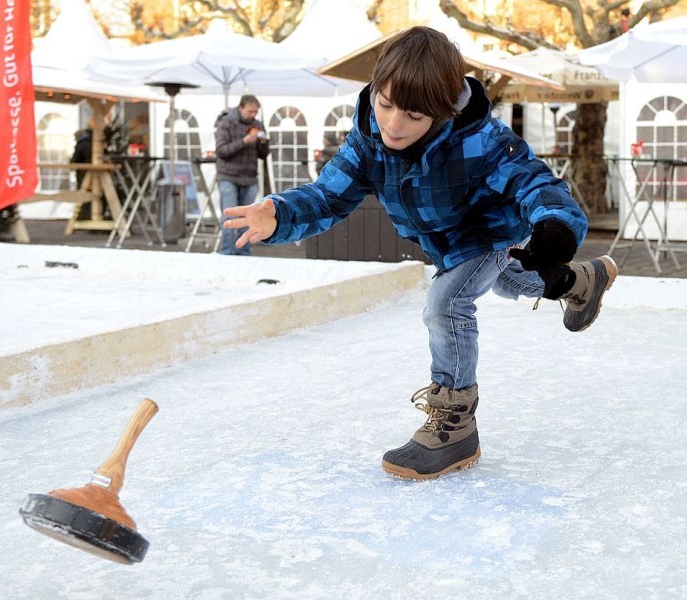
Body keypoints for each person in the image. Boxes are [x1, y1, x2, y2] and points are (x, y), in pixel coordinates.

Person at [222, 26, 618, 480]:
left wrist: (555, 227)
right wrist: (280, 214)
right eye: (385, 104)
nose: (393, 125)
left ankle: (455, 422)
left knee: (447, 303)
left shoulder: (483, 141)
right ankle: (582, 281)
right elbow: (329, 196)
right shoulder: (368, 141)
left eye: (412, 115)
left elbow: (536, 182)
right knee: (515, 281)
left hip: (488, 233)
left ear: (444, 109)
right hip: (448, 245)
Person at [215, 94, 270, 255]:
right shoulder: (226, 123)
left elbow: (263, 155)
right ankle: (226, 254)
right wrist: (244, 142)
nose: (253, 115)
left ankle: (244, 255)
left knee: (249, 219)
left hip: (250, 178)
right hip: (228, 177)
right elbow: (221, 151)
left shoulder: (258, 125)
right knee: (230, 219)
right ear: (241, 108)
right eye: (250, 112)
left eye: (255, 112)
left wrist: (264, 143)